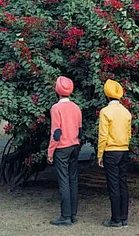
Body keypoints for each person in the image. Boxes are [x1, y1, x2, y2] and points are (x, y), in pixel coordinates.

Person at [48, 76, 82, 226]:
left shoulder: (56, 108)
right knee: (73, 180)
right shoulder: (76, 107)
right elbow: (80, 131)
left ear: (57, 90)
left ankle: (65, 216)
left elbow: (56, 132)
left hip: (62, 148)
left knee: (64, 181)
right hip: (75, 146)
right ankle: (73, 214)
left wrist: (50, 152)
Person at [97, 79, 132, 227]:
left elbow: (103, 135)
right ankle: (124, 217)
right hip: (124, 150)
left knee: (113, 185)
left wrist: (100, 154)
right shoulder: (126, 112)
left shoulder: (105, 112)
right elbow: (129, 134)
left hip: (111, 151)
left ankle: (115, 218)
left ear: (107, 95)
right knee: (123, 183)